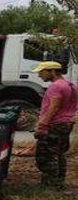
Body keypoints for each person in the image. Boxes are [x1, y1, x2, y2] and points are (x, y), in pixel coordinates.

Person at [32, 61, 77, 189]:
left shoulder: (55, 86)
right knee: (59, 154)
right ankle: (59, 183)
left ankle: (50, 186)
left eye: (42, 72)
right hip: (65, 124)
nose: (39, 75)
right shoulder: (70, 85)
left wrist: (42, 125)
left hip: (54, 125)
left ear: (52, 71)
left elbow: (54, 106)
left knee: (46, 156)